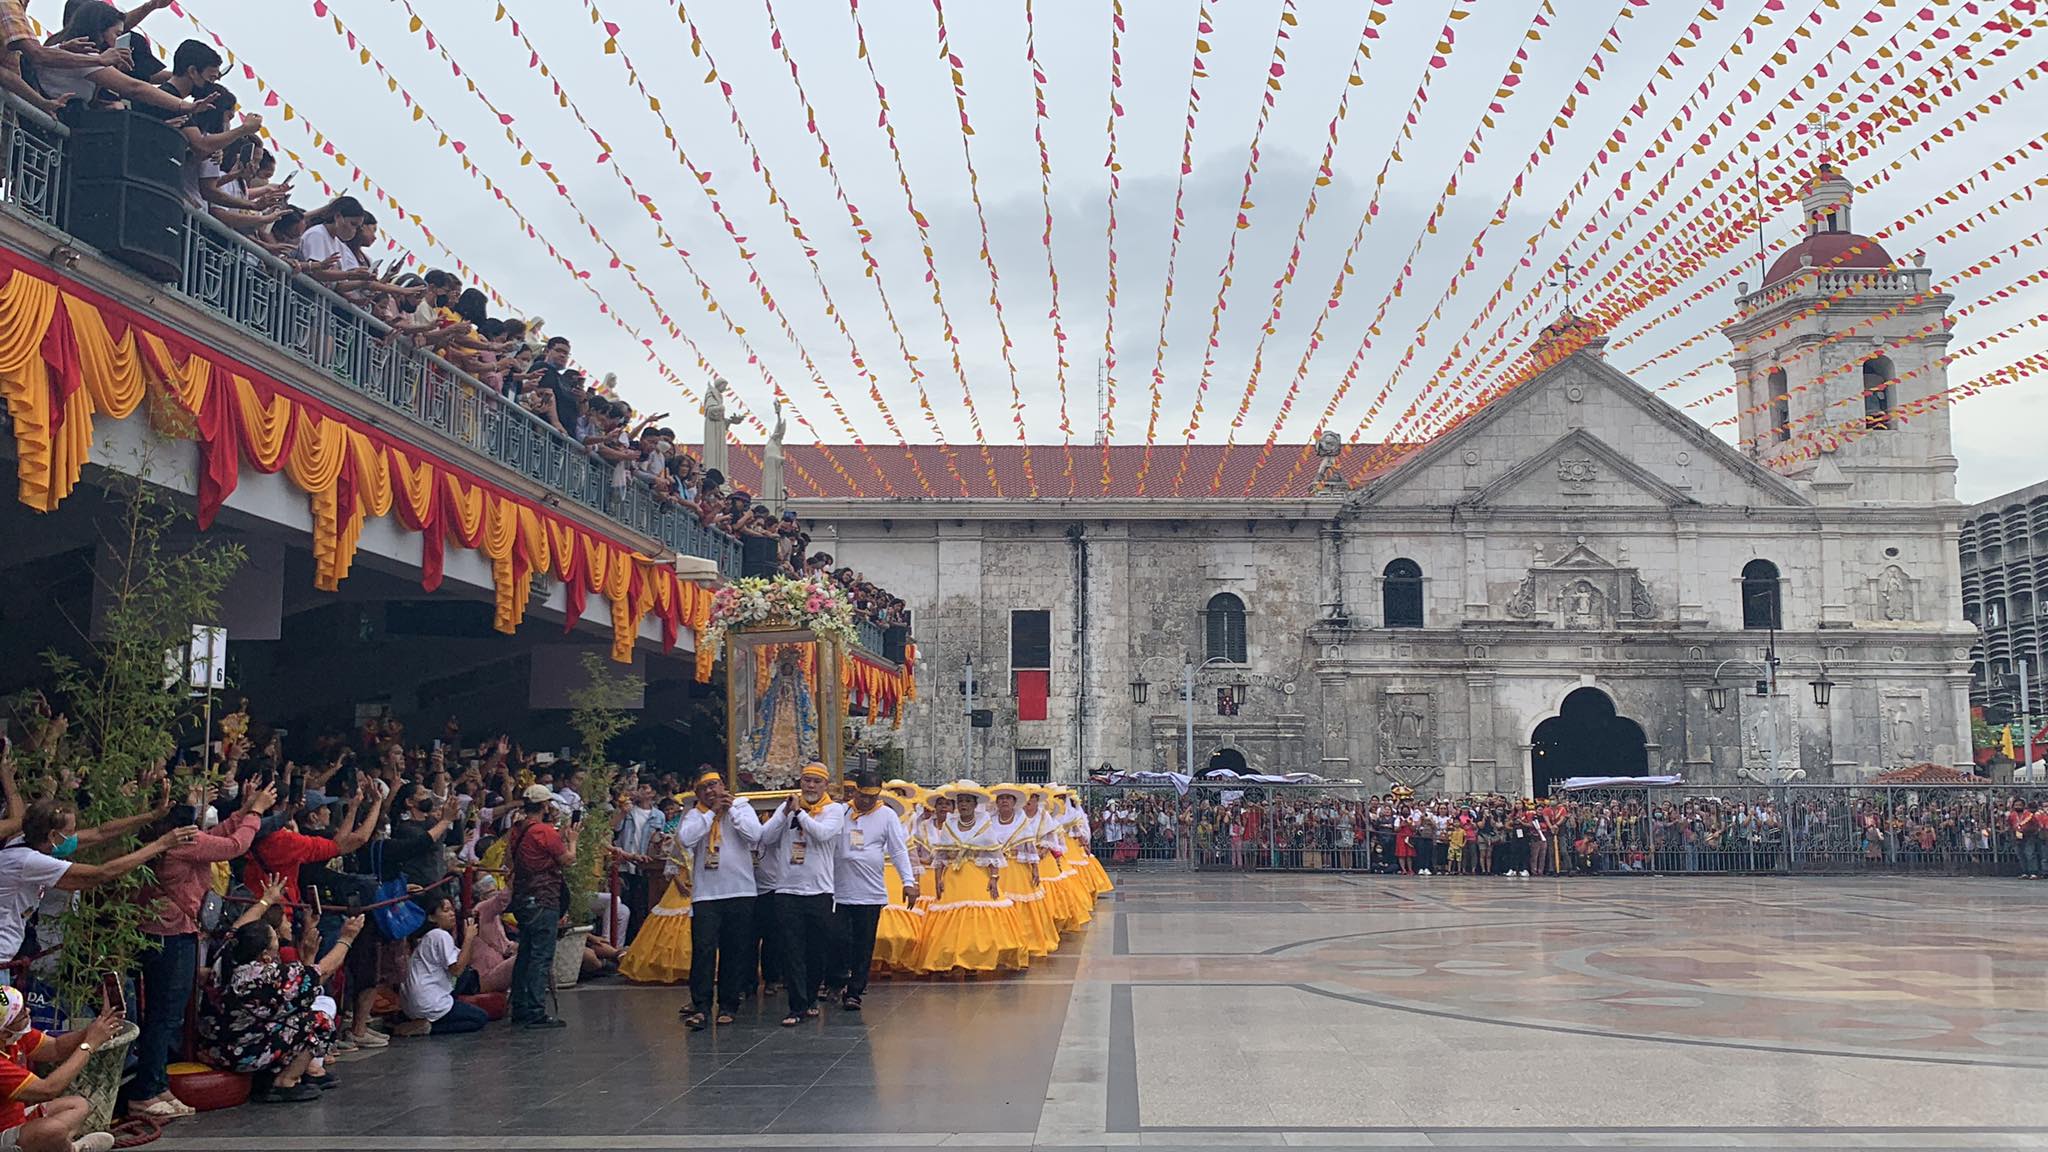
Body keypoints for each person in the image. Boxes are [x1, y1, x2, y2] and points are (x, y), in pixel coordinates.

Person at [131, 779, 276, 1121]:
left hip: (161, 930)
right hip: (172, 932)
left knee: (166, 1013)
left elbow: (220, 835)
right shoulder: (182, 841)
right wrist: (255, 811)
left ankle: (156, 1082)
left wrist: (242, 810)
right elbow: (234, 846)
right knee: (165, 1014)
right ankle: (147, 1091)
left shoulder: (157, 835)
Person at [0, 799, 195, 970]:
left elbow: (99, 833)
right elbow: (101, 873)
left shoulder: (22, 842)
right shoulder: (27, 861)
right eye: (69, 832)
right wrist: (161, 845)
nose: (74, 836)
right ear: (52, 836)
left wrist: (151, 816)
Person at [200, 910, 364, 1103]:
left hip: (216, 1045)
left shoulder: (226, 958)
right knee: (321, 1022)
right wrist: (347, 938)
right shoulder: (263, 975)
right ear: (265, 955)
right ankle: (285, 1081)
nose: (278, 938)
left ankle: (276, 1074)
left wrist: (267, 900)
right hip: (241, 1052)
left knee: (301, 1014)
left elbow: (237, 928)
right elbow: (322, 971)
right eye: (274, 938)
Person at [755, 764, 844, 1027]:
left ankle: (811, 998)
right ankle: (796, 1006)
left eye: (817, 782)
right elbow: (765, 837)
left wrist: (801, 814)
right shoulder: (789, 809)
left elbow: (823, 834)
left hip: (819, 890)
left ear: (825, 786)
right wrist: (784, 812)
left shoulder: (834, 810)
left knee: (816, 950)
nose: (811, 786)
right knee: (790, 949)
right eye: (807, 781)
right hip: (787, 890)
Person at [677, 770, 762, 1030]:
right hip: (706, 894)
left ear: (723, 785)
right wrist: (712, 813)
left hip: (741, 891)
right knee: (703, 950)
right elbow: (686, 839)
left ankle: (728, 1005)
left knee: (734, 950)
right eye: (703, 788)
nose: (710, 791)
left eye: (713, 785)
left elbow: (755, 836)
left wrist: (731, 811)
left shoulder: (743, 807)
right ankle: (701, 1006)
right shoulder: (695, 814)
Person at [831, 767, 915, 1010]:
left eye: (872, 796)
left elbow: (898, 850)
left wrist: (908, 882)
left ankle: (854, 991)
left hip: (869, 892)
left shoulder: (887, 816)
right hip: (839, 890)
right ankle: (837, 979)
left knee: (863, 943)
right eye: (862, 795)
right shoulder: (842, 811)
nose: (866, 801)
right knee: (838, 939)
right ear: (855, 792)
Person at [0, 988, 122, 1152]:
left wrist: (98, 1026)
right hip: (3, 1133)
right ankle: (71, 1149)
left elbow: (56, 1048)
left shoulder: (15, 1035)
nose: (28, 1011)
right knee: (53, 1130)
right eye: (21, 1014)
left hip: (16, 1119)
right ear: (4, 1031)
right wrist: (90, 1045)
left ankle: (67, 1148)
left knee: (77, 1105)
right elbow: (48, 1089)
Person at [504, 783, 577, 1030]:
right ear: (545, 805)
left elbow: (508, 859)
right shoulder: (545, 832)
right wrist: (572, 841)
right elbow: (567, 859)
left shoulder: (516, 829)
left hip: (523, 897)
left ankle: (520, 1007)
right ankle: (535, 1010)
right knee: (540, 955)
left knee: (525, 953)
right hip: (544, 897)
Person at [392, 897, 487, 1038]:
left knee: (467, 975)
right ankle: (428, 1027)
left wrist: (469, 939)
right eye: (445, 911)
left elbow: (464, 962)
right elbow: (457, 969)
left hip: (414, 1002)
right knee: (479, 1018)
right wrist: (468, 938)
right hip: (428, 1001)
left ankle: (420, 1020)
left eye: (452, 910)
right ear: (431, 917)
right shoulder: (439, 935)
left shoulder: (429, 937)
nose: (452, 914)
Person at [613, 783, 662, 944]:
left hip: (645, 864)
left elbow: (658, 840)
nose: (641, 791)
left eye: (646, 788)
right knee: (624, 902)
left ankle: (638, 940)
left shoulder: (658, 815)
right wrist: (622, 811)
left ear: (653, 793)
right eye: (640, 787)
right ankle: (624, 941)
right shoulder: (629, 811)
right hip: (626, 863)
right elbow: (614, 828)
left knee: (641, 903)